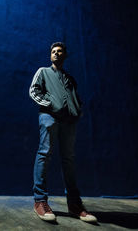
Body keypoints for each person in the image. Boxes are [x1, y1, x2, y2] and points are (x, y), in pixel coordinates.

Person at [29, 42, 97, 223]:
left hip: (69, 122)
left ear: (65, 55)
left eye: (60, 51)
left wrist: (77, 111)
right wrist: (50, 104)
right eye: (53, 51)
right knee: (44, 153)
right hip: (49, 117)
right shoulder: (43, 72)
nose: (56, 53)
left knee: (69, 159)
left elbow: (76, 99)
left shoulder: (70, 78)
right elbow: (33, 91)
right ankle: (40, 201)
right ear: (50, 55)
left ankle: (74, 205)